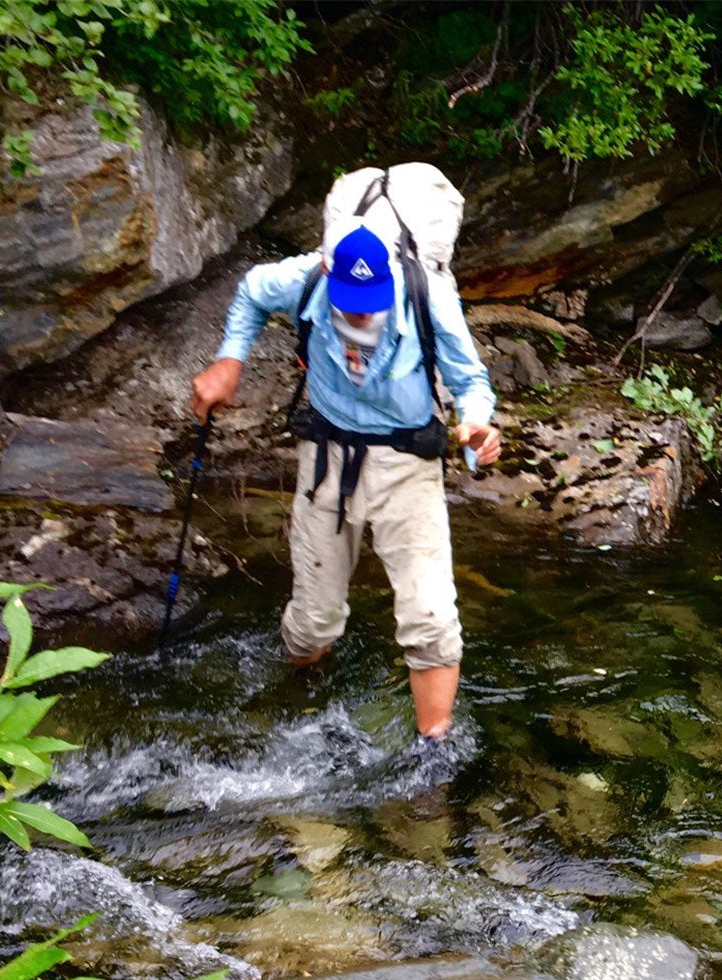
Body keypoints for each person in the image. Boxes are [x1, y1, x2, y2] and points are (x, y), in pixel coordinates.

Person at [190, 223, 502, 739]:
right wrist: (230, 360)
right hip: (327, 455)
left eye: (372, 300)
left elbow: (471, 383)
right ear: (329, 273)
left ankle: (435, 753)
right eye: (352, 300)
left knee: (429, 616)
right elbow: (249, 291)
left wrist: (477, 431)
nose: (361, 312)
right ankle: (304, 693)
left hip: (408, 462)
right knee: (311, 623)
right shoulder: (302, 280)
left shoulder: (428, 297)